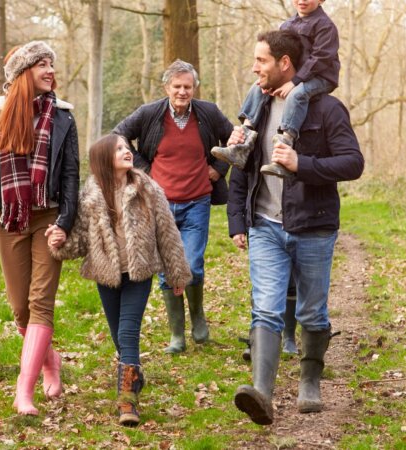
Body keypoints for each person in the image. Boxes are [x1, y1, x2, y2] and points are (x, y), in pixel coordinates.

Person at [227, 30, 364, 425]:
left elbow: (352, 163)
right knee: (266, 310)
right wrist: (238, 218)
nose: (255, 68)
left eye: (262, 61)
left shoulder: (326, 110)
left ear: (284, 63)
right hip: (265, 226)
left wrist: (301, 165)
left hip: (314, 227)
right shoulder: (256, 109)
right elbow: (241, 169)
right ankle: (262, 394)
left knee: (311, 312)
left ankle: (310, 383)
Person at [0, 41, 79, 416]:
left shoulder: (62, 117)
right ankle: (50, 362)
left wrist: (65, 221)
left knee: (40, 302)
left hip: (49, 218)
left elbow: (73, 175)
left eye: (51, 64)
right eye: (41, 64)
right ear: (22, 73)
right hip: (10, 219)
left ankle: (22, 392)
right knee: (19, 310)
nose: (50, 70)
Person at [47, 134, 191, 427]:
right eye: (119, 149)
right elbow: (80, 242)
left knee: (127, 333)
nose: (127, 152)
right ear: (103, 159)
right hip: (107, 276)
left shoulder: (147, 189)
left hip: (139, 273)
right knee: (118, 338)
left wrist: (177, 273)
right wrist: (59, 240)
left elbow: (168, 233)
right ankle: (133, 372)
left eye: (127, 147)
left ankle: (127, 402)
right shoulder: (90, 196)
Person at [113, 60, 234, 354]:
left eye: (187, 87)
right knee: (168, 270)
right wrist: (143, 168)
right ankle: (177, 335)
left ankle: (199, 321)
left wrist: (218, 168)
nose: (182, 92)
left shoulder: (209, 112)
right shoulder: (150, 113)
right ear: (167, 87)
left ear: (194, 88)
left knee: (191, 265)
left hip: (197, 201)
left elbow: (234, 138)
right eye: (177, 86)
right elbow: (118, 133)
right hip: (160, 205)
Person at [211, 0, 340, 179]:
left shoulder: (325, 26)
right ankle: (242, 143)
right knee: (258, 87)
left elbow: (320, 59)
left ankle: (285, 144)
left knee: (297, 95)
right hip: (295, 78)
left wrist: (294, 81)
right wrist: (274, 81)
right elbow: (281, 56)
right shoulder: (287, 25)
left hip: (321, 77)